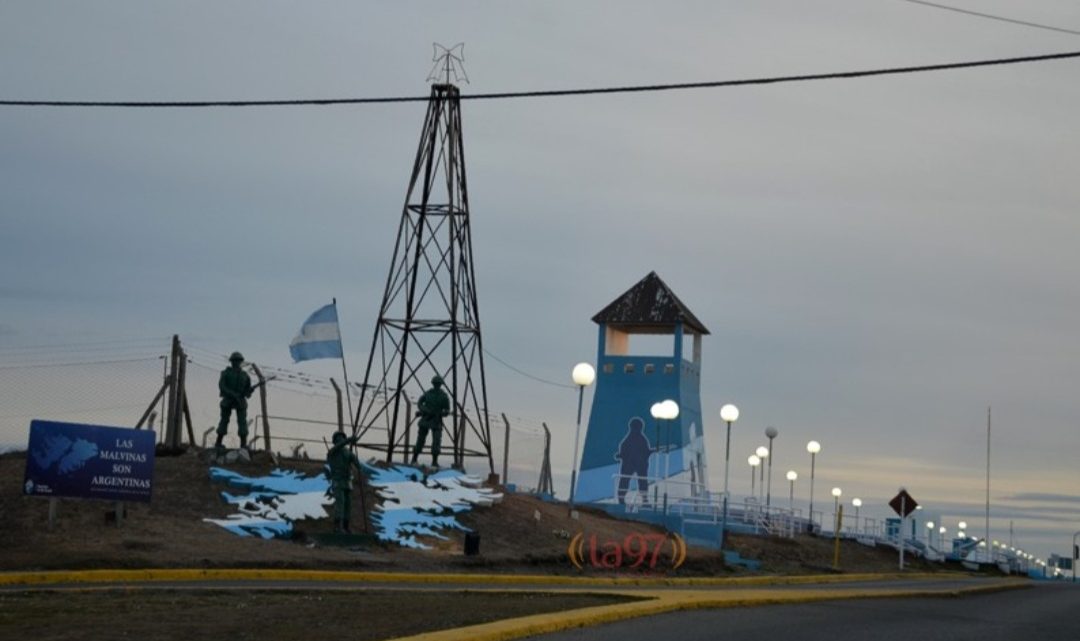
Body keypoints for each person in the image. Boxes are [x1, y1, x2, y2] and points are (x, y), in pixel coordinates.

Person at [326, 431, 363, 533]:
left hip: (347, 481)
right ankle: (337, 526)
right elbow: (339, 446)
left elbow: (357, 464)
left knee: (347, 504)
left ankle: (346, 526)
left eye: (342, 438)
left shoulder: (347, 452)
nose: (340, 440)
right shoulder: (332, 451)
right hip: (337, 480)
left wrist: (358, 465)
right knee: (340, 503)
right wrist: (349, 440)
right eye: (338, 438)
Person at [216, 351, 254, 450]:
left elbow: (247, 391)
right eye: (235, 361)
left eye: (238, 361)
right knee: (224, 421)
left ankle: (243, 444)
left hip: (240, 401)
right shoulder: (226, 373)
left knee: (242, 422)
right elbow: (222, 386)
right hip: (228, 400)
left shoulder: (245, 375)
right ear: (231, 361)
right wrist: (233, 394)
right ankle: (218, 442)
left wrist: (249, 391)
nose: (236, 362)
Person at [411, 375, 450, 467]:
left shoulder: (444, 396)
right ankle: (414, 458)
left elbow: (447, 410)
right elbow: (420, 403)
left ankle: (434, 462)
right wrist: (425, 410)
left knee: (436, 441)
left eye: (438, 384)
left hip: (436, 421)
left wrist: (441, 413)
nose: (437, 385)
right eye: (435, 384)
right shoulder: (428, 393)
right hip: (425, 419)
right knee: (420, 440)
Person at [614, 416, 653, 506]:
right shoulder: (629, 441)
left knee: (642, 481)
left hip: (640, 465)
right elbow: (623, 453)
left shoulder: (641, 440)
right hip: (630, 465)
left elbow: (645, 452)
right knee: (625, 481)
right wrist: (620, 456)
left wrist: (649, 452)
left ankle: (644, 500)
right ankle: (621, 499)